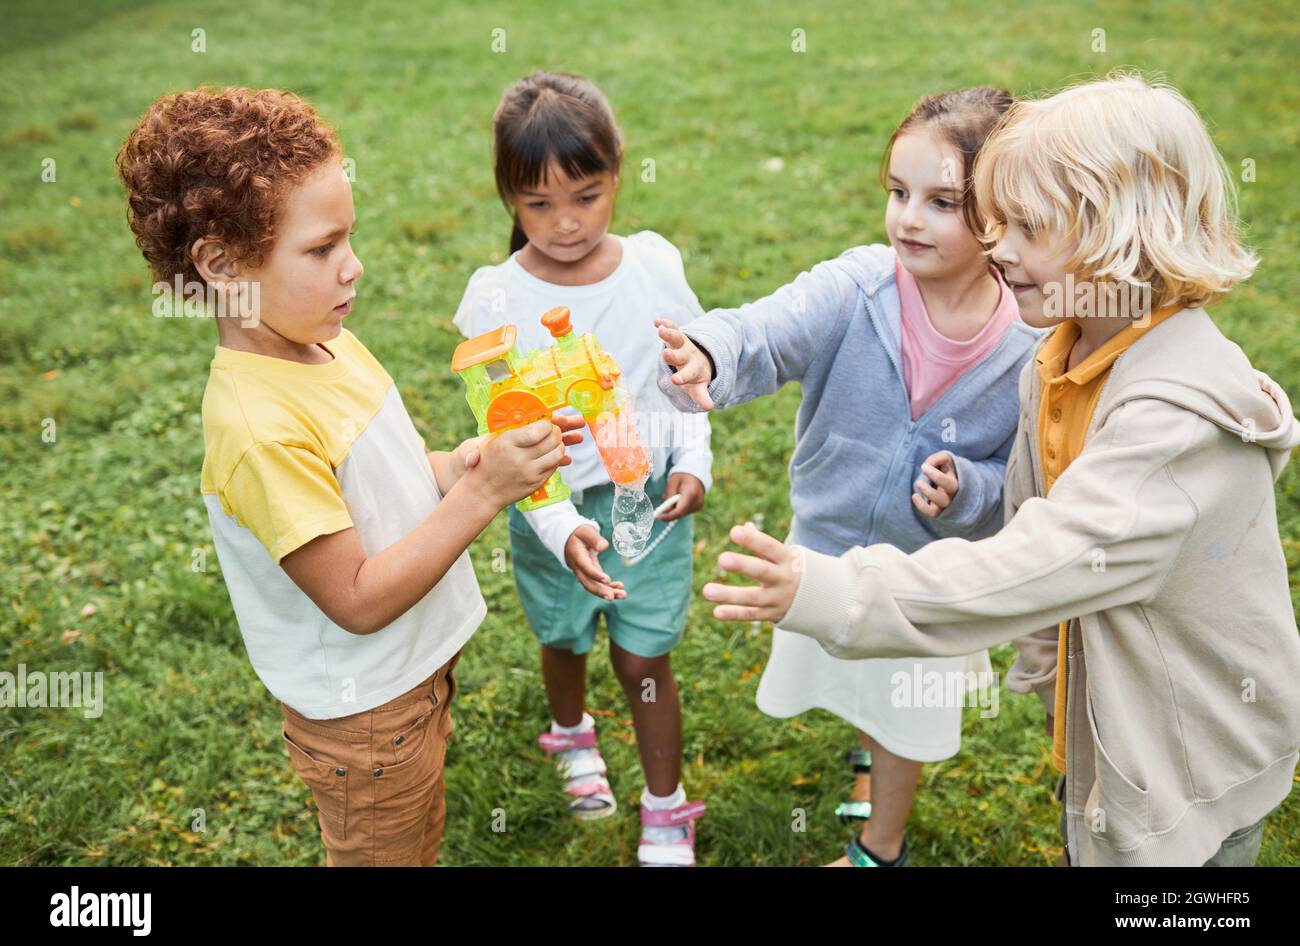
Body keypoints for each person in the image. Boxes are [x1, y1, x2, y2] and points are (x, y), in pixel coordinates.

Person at [696, 74, 1300, 867]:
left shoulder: (1169, 425)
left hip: (1186, 758)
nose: (998, 247)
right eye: (994, 220)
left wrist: (832, 589)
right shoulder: (1059, 356)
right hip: (1112, 726)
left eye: (1026, 226)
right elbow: (1021, 513)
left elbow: (1035, 561)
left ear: (1121, 235)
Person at [116, 85, 580, 866]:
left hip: (411, 679)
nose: (353, 266)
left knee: (415, 839)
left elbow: (383, 479)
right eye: (322, 248)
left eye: (349, 238)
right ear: (222, 265)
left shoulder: (323, 341)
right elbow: (357, 598)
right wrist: (484, 492)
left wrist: (457, 466)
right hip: (366, 714)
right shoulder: (259, 429)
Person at [656, 88, 1040, 866]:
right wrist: (710, 351)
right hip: (829, 548)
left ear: (1001, 212)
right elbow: (770, 325)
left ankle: (879, 849)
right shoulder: (862, 284)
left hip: (924, 579)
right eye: (897, 193)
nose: (907, 219)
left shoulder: (1028, 343)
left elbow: (1022, 482)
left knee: (902, 710)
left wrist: (968, 488)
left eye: (940, 202)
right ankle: (868, 754)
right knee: (857, 674)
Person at [454, 70, 712, 865]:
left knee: (643, 653)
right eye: (538, 205)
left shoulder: (655, 266)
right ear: (506, 195)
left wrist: (692, 464)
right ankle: (570, 733)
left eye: (587, 196)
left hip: (646, 507)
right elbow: (508, 442)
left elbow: (688, 375)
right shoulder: (495, 300)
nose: (565, 224)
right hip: (549, 509)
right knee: (563, 635)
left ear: (618, 174)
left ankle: (665, 808)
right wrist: (562, 528)